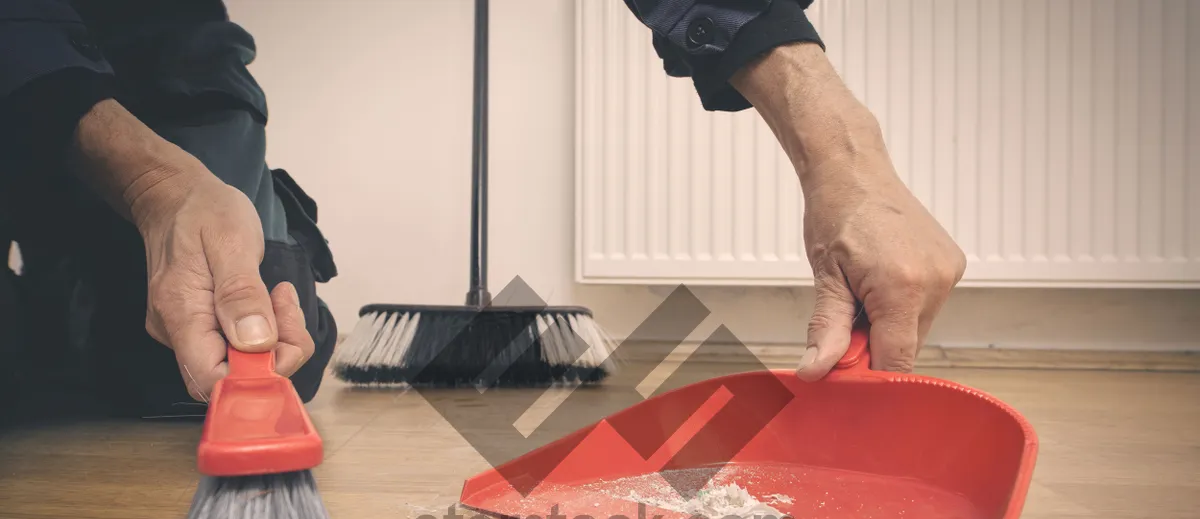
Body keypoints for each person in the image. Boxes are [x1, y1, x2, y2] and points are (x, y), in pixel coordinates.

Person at [0, 0, 964, 422]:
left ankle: (73, 292)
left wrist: (848, 153)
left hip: (157, 42)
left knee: (223, 363)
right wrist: (151, 183)